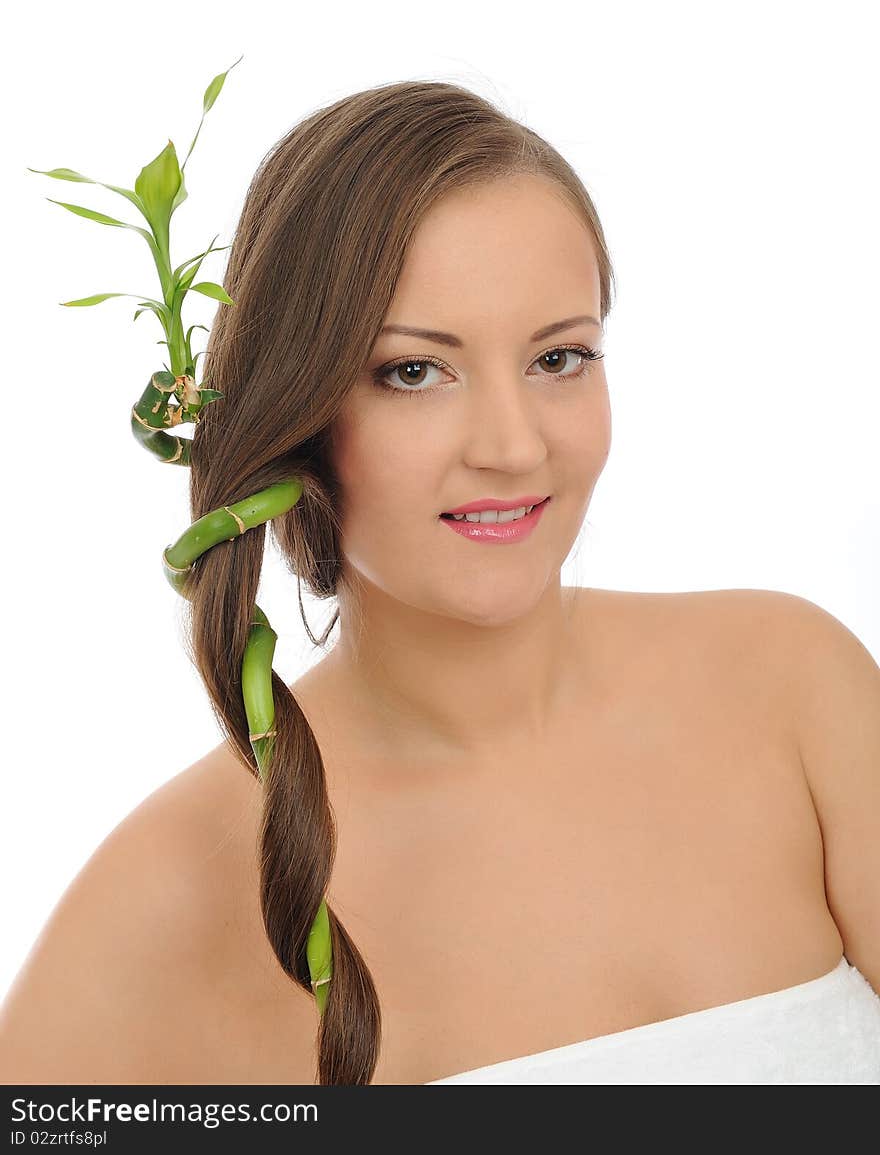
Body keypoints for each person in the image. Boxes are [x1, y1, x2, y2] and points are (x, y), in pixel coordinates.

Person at [1, 81, 878, 1087]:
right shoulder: (171, 888)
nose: (512, 446)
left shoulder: (786, 685)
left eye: (559, 356)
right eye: (414, 372)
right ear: (293, 411)